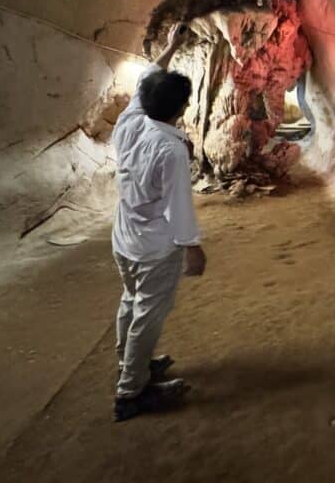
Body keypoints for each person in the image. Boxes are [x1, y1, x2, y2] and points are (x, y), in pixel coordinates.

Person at [111, 23, 207, 422]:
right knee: (148, 314)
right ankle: (131, 392)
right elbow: (178, 206)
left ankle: (131, 364)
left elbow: (146, 81)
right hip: (153, 246)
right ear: (182, 109)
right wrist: (193, 247)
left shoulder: (131, 122)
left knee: (131, 302)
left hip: (124, 237)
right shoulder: (170, 149)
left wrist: (169, 48)